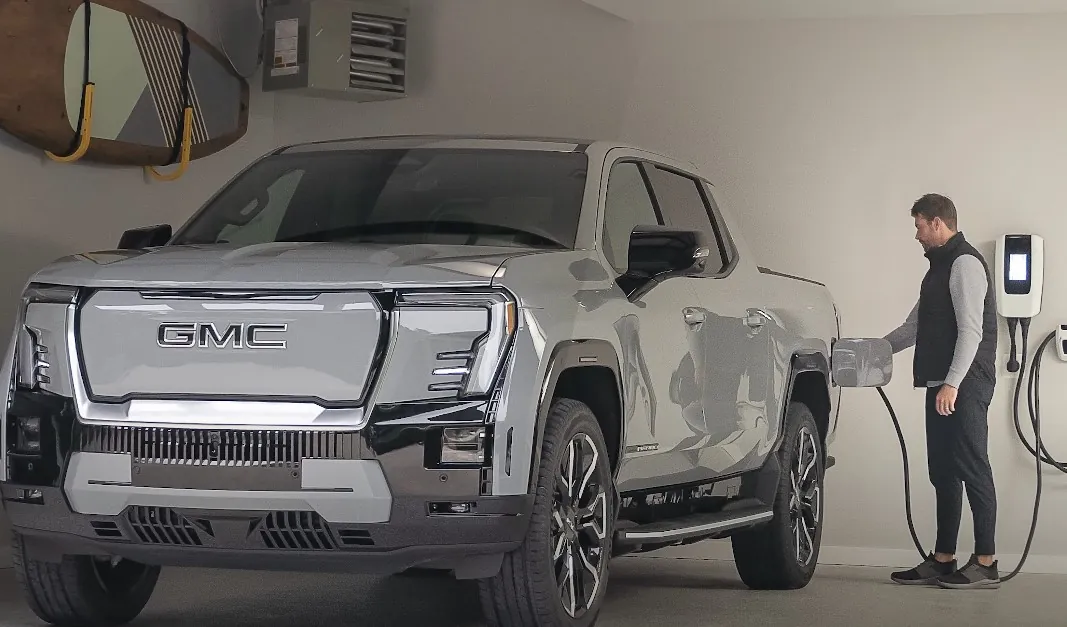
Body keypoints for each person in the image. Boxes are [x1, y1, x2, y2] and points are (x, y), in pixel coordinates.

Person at [883, 193, 1001, 589]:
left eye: (918, 226)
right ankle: (944, 558)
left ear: (937, 223)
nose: (916, 235)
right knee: (943, 473)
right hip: (943, 384)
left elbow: (971, 331)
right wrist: (870, 349)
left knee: (972, 467)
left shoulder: (964, 263)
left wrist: (952, 383)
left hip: (965, 382)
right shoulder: (937, 270)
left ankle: (986, 561)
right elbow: (912, 328)